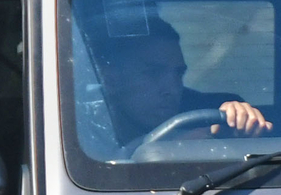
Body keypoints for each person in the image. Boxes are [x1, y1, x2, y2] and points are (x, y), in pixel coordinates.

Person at [93, 20, 271, 147]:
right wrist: (173, 146)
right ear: (111, 79)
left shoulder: (209, 116)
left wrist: (238, 120)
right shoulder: (84, 136)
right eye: (153, 73)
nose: (172, 89)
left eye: (178, 74)